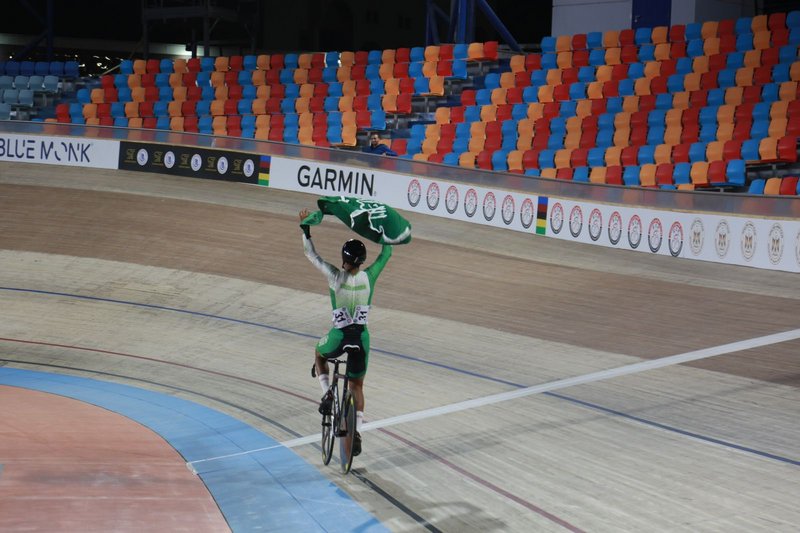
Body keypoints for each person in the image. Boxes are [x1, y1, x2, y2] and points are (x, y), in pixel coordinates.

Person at [299, 209, 393, 456]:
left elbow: (311, 255)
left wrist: (305, 229)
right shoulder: (369, 277)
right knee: (357, 385)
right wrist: (384, 233)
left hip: (339, 337)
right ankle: (358, 431)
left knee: (319, 354)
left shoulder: (334, 276)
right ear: (362, 260)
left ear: (343, 258)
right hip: (361, 339)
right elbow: (387, 253)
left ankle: (327, 392)